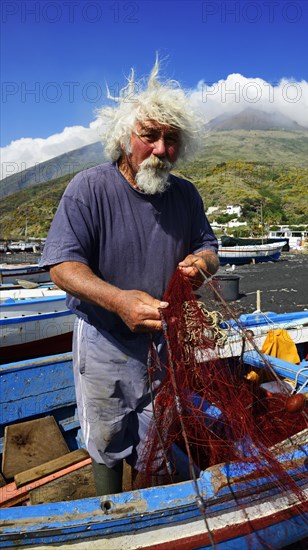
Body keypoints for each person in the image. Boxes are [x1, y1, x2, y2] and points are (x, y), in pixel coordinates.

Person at [40, 61, 219, 495]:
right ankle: (108, 508)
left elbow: (210, 249)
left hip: (165, 337)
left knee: (157, 430)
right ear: (124, 138)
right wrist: (119, 300)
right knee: (105, 433)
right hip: (105, 335)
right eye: (150, 136)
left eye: (171, 139)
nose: (160, 149)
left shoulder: (186, 194)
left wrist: (202, 264)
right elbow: (62, 266)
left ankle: (144, 505)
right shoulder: (89, 188)